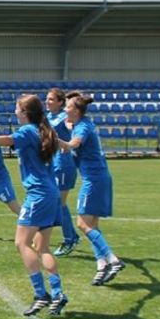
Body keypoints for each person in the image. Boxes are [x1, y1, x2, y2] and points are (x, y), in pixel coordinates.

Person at [0, 95, 70, 317]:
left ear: (24, 112)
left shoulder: (27, 131)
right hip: (50, 193)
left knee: (21, 243)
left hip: (38, 194)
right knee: (42, 247)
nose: (14, 110)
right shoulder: (44, 130)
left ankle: (41, 294)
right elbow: (58, 142)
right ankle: (58, 292)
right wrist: (65, 145)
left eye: (17, 107)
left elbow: (9, 139)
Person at [59, 92, 125, 286]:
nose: (65, 109)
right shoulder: (82, 123)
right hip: (99, 178)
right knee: (92, 225)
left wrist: (54, 141)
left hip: (94, 180)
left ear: (77, 111)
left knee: (81, 223)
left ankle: (113, 260)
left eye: (68, 107)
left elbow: (74, 144)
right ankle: (101, 266)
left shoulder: (83, 128)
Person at [45, 88, 82, 256]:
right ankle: (70, 236)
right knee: (55, 202)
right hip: (54, 164)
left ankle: (70, 239)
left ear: (61, 103)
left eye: (51, 99)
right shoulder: (48, 117)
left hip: (65, 164)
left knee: (59, 203)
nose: (47, 101)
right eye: (47, 99)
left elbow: (71, 126)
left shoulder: (64, 118)